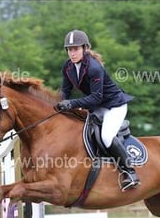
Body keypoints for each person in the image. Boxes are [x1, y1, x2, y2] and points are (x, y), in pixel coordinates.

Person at [55, 29, 140, 191]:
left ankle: (130, 172)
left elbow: (96, 97)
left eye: (76, 49)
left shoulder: (94, 68)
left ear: (85, 48)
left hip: (114, 105)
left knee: (106, 136)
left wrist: (71, 104)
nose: (72, 53)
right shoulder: (68, 67)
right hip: (98, 106)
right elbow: (65, 90)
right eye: (69, 49)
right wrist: (57, 104)